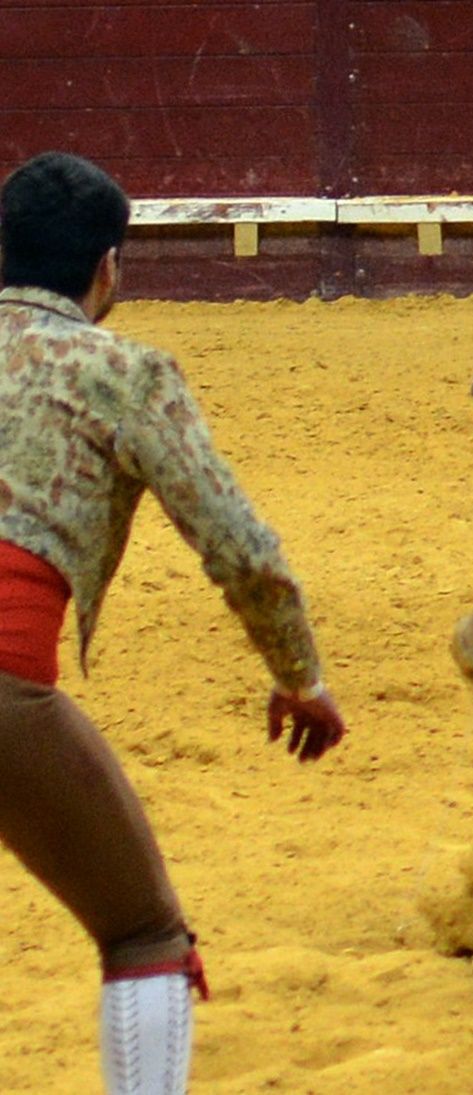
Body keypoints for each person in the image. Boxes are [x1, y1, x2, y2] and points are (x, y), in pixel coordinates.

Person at [0, 152, 348, 1093]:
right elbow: (241, 548)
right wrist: (300, 676)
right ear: (107, 267)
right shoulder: (124, 371)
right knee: (143, 932)